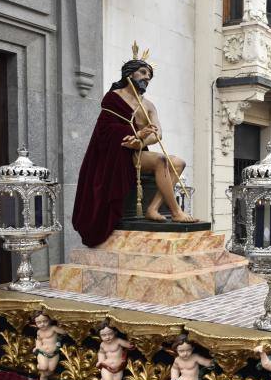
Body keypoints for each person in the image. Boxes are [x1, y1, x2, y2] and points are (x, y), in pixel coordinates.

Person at [72, 50, 195, 247]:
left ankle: (153, 209)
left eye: (149, 75)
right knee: (163, 161)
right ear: (130, 74)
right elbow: (106, 130)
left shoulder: (148, 105)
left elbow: (158, 133)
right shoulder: (114, 97)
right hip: (117, 153)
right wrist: (135, 136)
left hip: (137, 151)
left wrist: (141, 141)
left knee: (179, 163)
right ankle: (176, 211)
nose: (147, 78)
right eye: (143, 72)